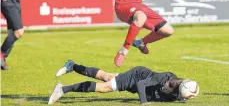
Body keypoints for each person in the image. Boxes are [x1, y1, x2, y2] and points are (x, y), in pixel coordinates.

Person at [48, 60, 199, 104]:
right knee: (106, 87)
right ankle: (63, 89)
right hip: (136, 77)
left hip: (138, 79)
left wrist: (184, 98)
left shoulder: (179, 88)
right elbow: (140, 85)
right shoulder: (165, 78)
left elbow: (180, 96)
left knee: (106, 77)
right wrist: (144, 102)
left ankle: (72, 66)